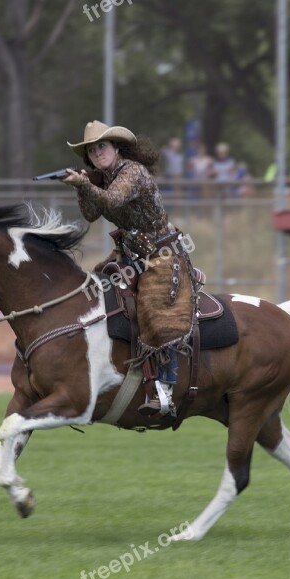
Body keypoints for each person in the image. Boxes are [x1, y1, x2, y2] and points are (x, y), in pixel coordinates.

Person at [62, 120, 197, 417]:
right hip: (129, 254)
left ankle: (165, 387)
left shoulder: (132, 172)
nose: (97, 153)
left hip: (162, 254)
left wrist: (84, 183)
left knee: (155, 309)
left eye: (102, 146)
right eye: (92, 151)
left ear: (116, 148)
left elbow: (113, 200)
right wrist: (83, 186)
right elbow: (91, 213)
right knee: (93, 290)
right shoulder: (104, 178)